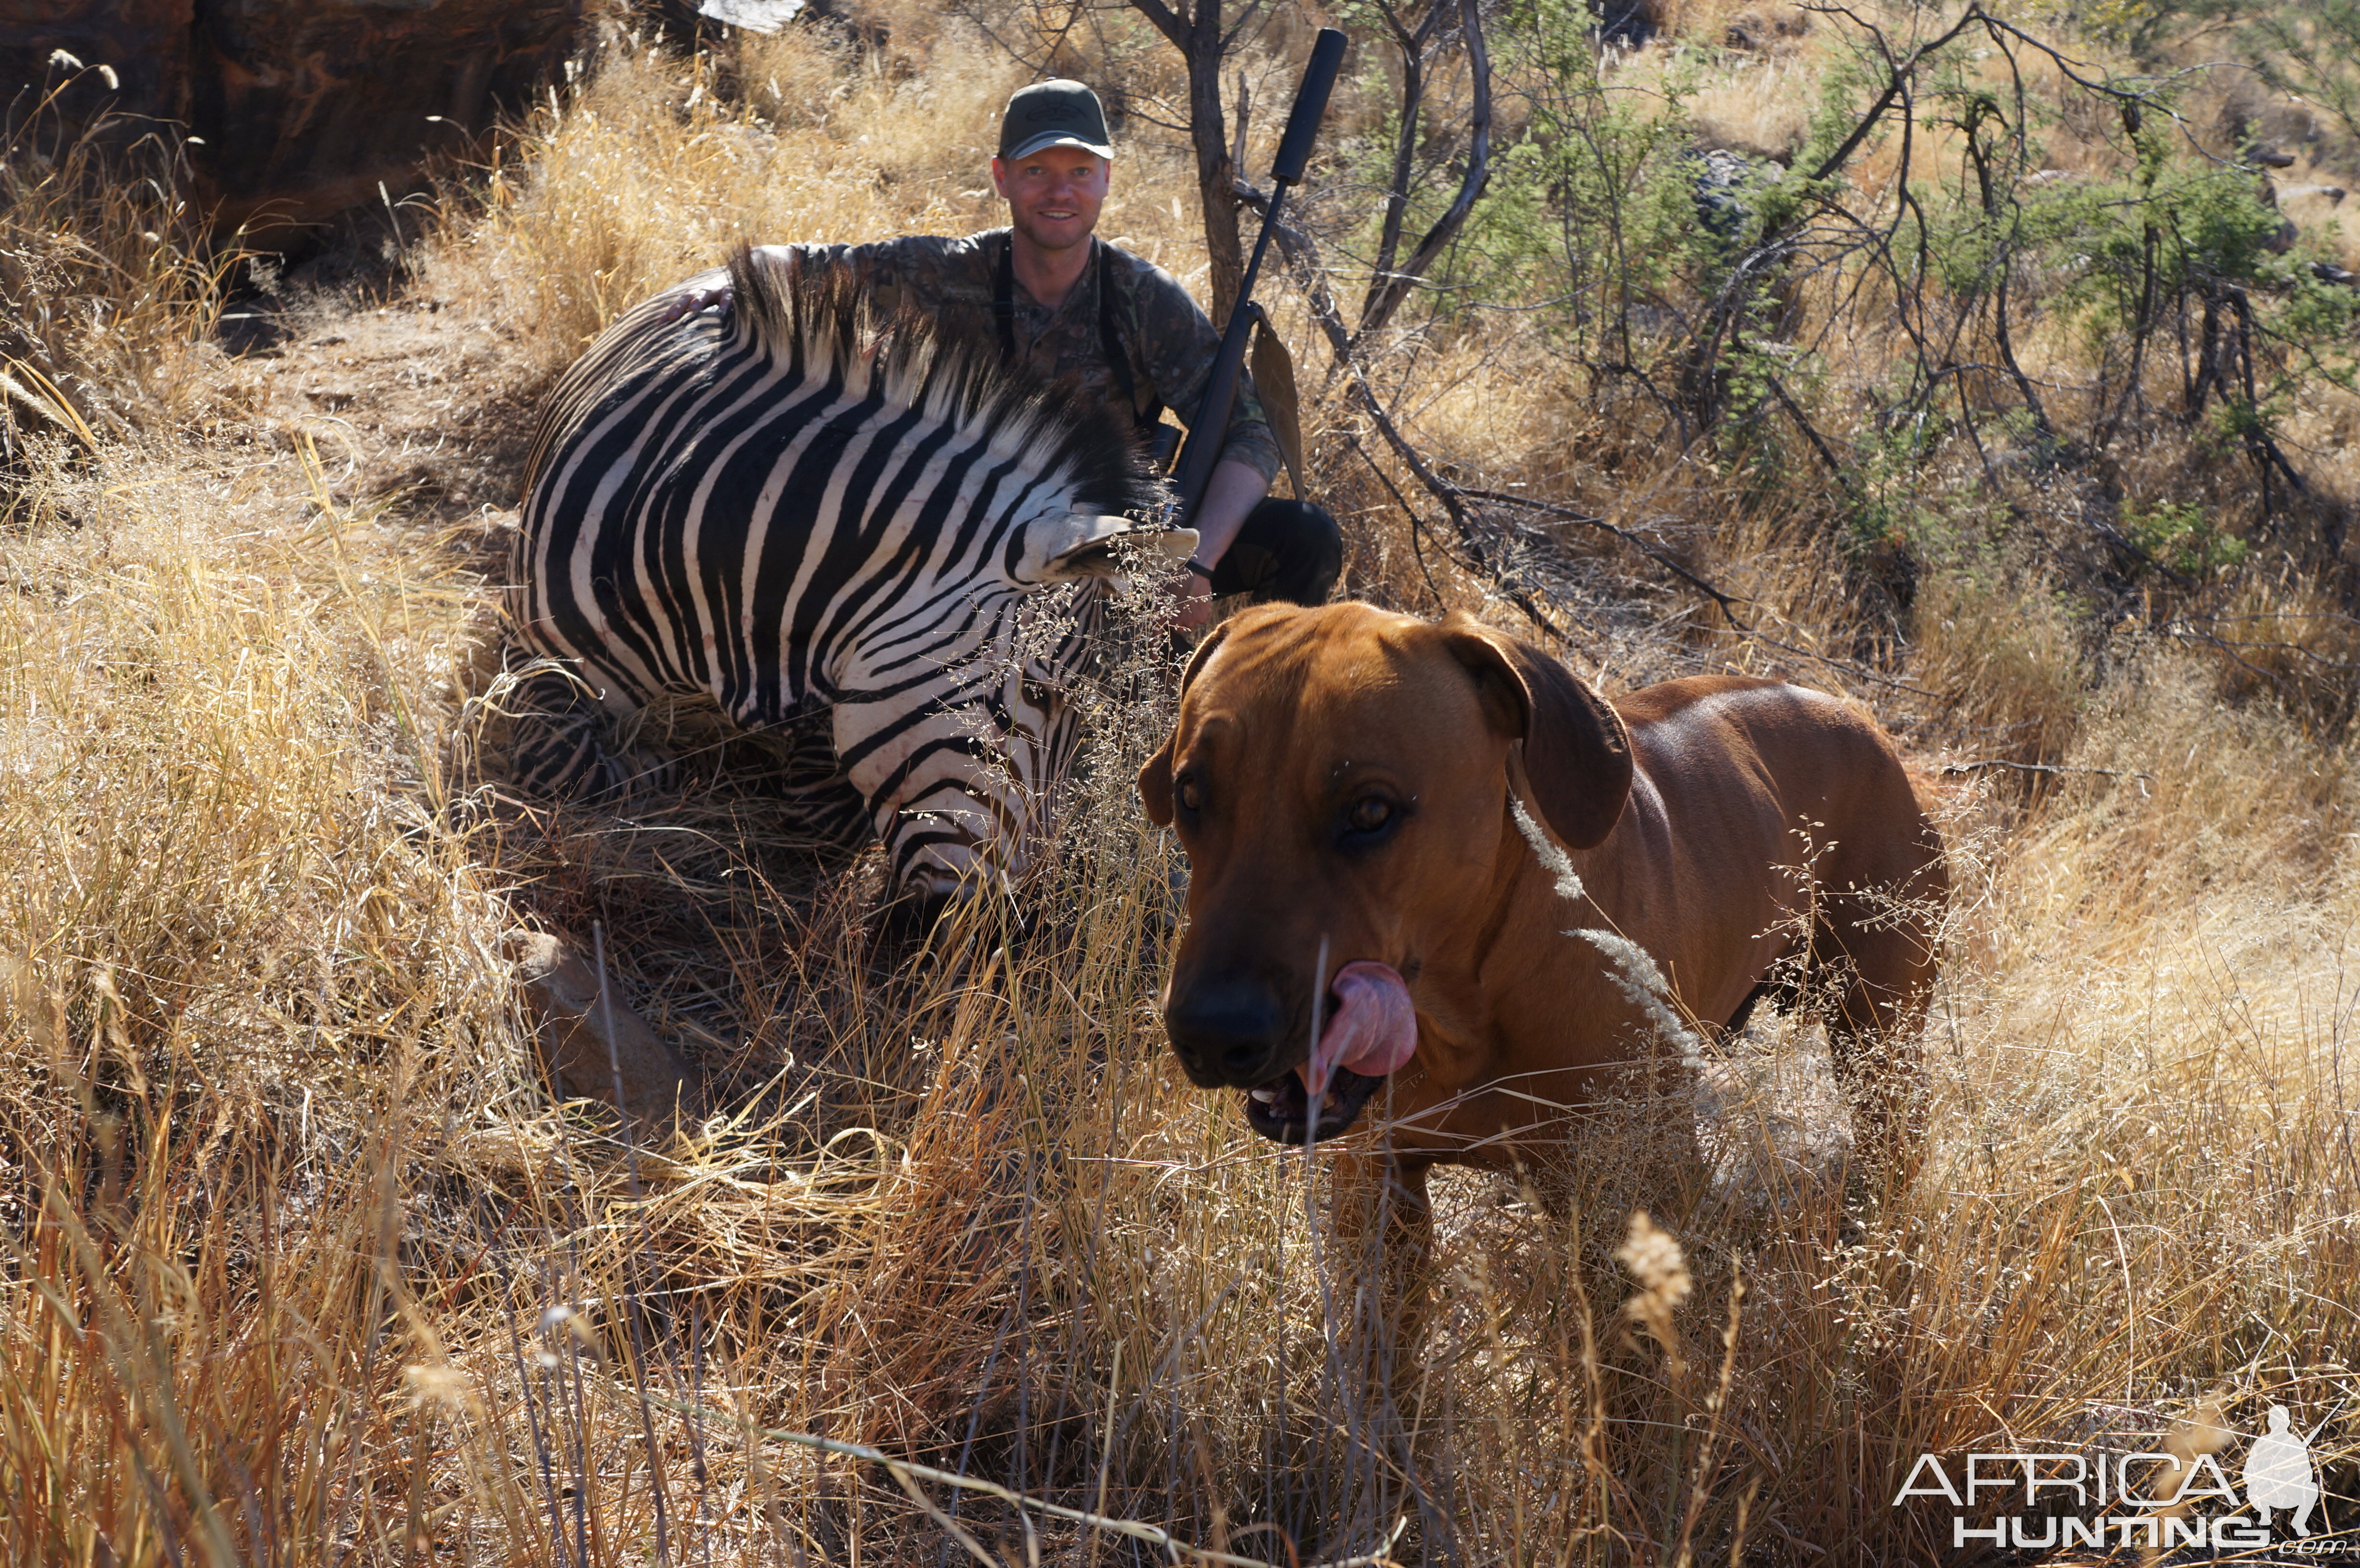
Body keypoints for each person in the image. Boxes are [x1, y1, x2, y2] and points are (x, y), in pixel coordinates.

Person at [692, 78, 1341, 627]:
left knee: (1309, 537)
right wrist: (715, 286)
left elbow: (1251, 434)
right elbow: (801, 265)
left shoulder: (1143, 299)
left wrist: (1196, 564)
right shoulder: (946, 271)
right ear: (1002, 178)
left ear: (1107, 179)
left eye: (1080, 172)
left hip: (1114, 546)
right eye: (1037, 172)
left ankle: (1263, 705)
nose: (1060, 192)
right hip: (972, 546)